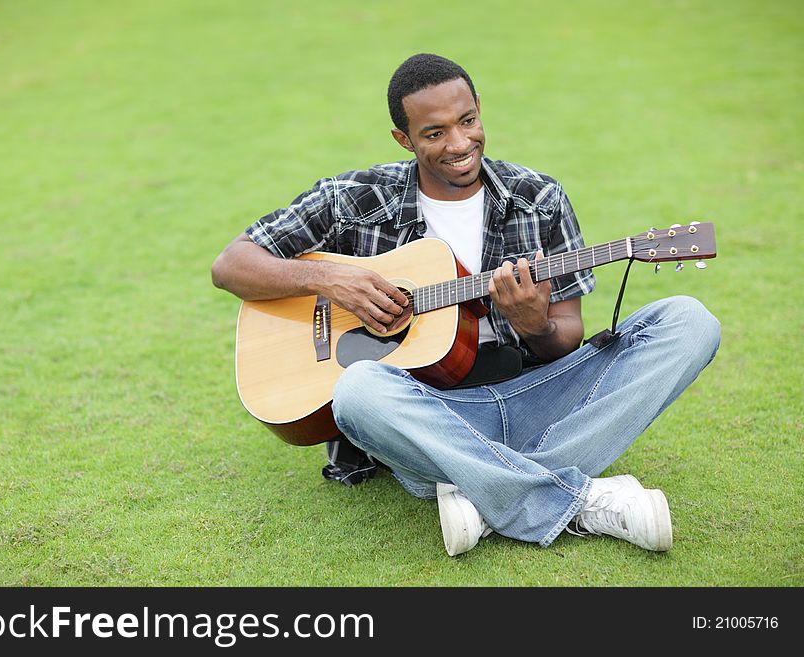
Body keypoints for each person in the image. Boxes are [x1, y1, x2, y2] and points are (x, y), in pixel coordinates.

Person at [211, 53, 720, 556]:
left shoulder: (537, 197)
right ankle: (579, 499)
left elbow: (565, 338)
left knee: (688, 321)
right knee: (357, 389)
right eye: (434, 133)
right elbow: (231, 264)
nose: (459, 144)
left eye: (468, 121)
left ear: (479, 108)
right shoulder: (354, 198)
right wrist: (332, 279)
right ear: (404, 139)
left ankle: (479, 488)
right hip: (422, 417)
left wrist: (535, 326)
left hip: (529, 396)